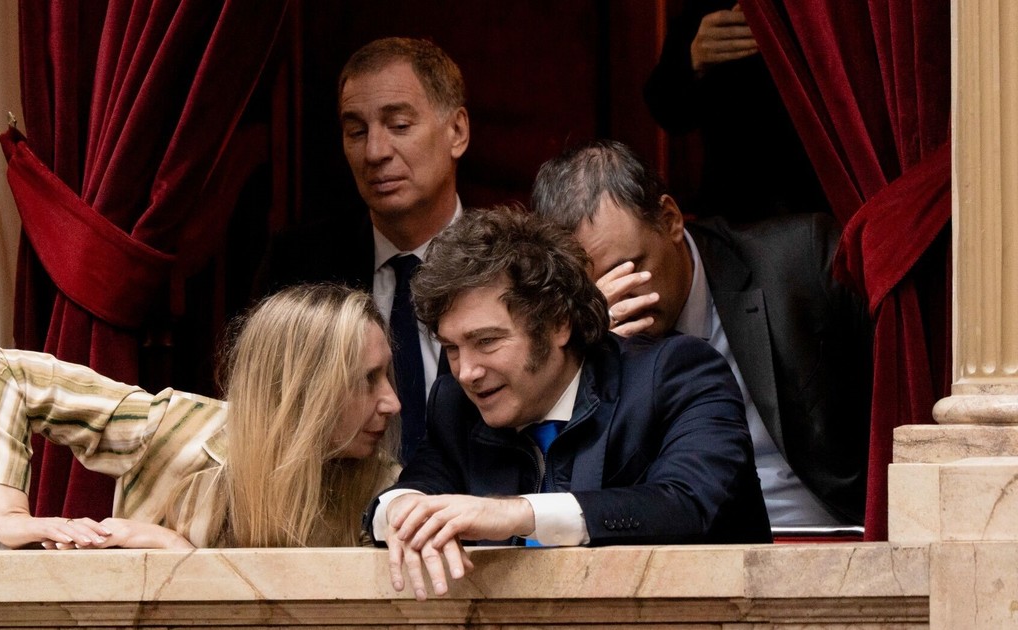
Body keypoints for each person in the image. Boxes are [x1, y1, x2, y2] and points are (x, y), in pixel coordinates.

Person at [366, 205, 770, 601]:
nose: (466, 372)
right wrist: (402, 512)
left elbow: (688, 504)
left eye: (486, 341)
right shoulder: (455, 405)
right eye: (452, 348)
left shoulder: (676, 375)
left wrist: (519, 513)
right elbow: (405, 495)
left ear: (558, 323)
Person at [530, 139, 871, 535]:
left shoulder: (798, 262)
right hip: (676, 551)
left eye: (629, 268)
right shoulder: (578, 334)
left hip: (828, 537)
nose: (619, 297)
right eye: (593, 288)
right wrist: (599, 356)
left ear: (670, 220)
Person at [0, 284, 400, 549]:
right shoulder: (172, 429)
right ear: (302, 390)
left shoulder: (385, 489)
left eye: (387, 375)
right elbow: (10, 374)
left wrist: (176, 551)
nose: (392, 402)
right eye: (367, 379)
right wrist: (12, 517)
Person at [256, 37, 470, 463]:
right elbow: (263, 416)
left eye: (399, 126)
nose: (374, 152)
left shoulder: (512, 264)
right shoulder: (299, 266)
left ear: (457, 132)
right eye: (356, 131)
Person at [642, 0, 829, 222]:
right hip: (735, 206)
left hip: (827, 197)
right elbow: (668, 112)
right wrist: (692, 60)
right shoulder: (709, 6)